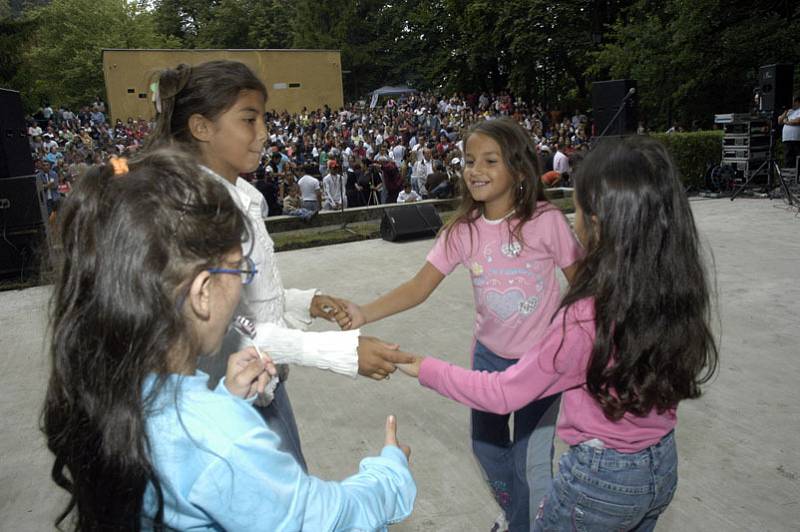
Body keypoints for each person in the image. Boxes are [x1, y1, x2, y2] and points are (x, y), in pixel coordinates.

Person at [42, 148, 416, 531]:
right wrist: (389, 474)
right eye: (240, 269)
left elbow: (187, 454)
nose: (243, 284)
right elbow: (321, 519)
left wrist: (225, 400)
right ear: (203, 291)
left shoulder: (111, 384)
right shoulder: (221, 438)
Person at [397, 136, 719, 531]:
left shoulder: (584, 318)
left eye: (577, 210)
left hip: (599, 484)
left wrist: (420, 366)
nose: (572, 219)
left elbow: (503, 393)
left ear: (595, 224)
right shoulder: (671, 293)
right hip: (660, 467)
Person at [146, 60, 415, 471]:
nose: (264, 133)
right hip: (232, 395)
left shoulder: (241, 196)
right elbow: (227, 329)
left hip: (265, 383)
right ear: (201, 127)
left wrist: (303, 302)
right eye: (249, 120)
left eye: (264, 119)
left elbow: (242, 298)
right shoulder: (198, 213)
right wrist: (340, 352)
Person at [337, 118, 582, 531]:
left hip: (542, 365)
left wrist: (581, 346)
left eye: (489, 160)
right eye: (469, 160)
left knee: (532, 462)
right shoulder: (463, 232)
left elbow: (584, 284)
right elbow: (419, 286)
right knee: (487, 451)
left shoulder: (546, 221)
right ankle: (521, 514)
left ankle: (530, 524)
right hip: (488, 360)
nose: (475, 170)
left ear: (519, 169)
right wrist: (364, 312)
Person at [778, 95, 800, 174]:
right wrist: (785, 112)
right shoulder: (789, 111)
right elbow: (779, 120)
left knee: (797, 158)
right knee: (788, 158)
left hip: (797, 138)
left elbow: (797, 121)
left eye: (792, 102)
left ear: (797, 102)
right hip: (787, 138)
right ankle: (789, 176)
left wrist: (786, 122)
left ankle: (797, 176)